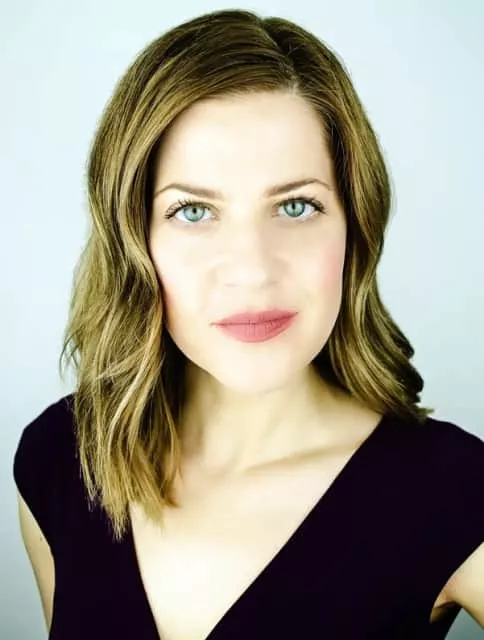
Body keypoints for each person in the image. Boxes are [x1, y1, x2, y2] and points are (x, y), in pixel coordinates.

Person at [12, 8, 484, 640]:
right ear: (133, 238)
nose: (252, 270)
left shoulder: (457, 492)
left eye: (296, 206)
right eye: (192, 211)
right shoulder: (61, 459)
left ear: (355, 225)